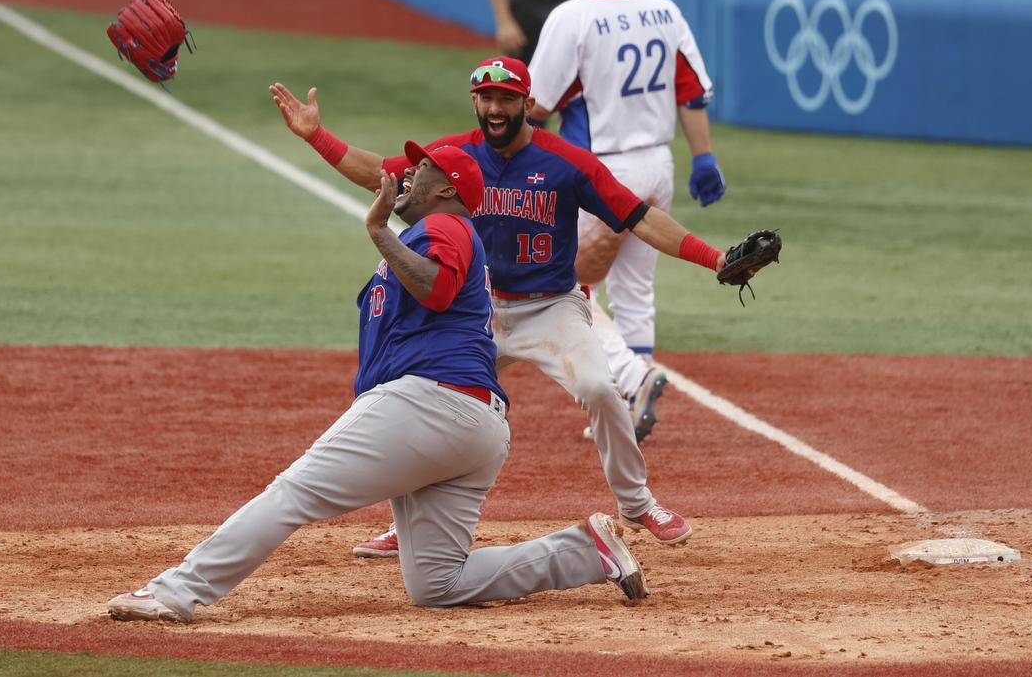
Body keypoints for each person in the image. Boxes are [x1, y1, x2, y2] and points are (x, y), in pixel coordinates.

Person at [107, 141, 650, 621]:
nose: (409, 173)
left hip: (430, 404)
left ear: (447, 191)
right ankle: (584, 553)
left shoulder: (447, 227)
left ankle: (176, 592)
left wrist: (377, 231)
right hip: (473, 425)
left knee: (294, 491)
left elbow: (436, 289)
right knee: (438, 583)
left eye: (424, 168)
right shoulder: (431, 231)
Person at [271, 57, 739, 561]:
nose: (495, 108)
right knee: (422, 398)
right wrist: (316, 136)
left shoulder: (567, 162)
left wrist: (714, 259)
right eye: (486, 98)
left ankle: (637, 503)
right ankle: (403, 524)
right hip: (477, 312)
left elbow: (641, 218)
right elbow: (380, 175)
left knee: (600, 389)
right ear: (475, 101)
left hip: (552, 308)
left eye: (507, 99)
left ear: (527, 104)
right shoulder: (453, 156)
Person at [527, 0, 726, 443]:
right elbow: (691, 89)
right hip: (658, 164)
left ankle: (633, 377)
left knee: (559, 284)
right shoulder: (664, 9)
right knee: (634, 287)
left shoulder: (572, 16)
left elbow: (537, 105)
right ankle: (628, 403)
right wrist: (703, 157)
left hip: (604, 171)